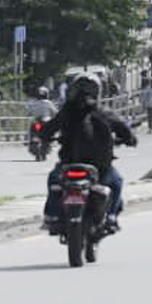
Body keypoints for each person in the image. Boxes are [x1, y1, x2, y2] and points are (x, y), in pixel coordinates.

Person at [38, 75, 137, 230]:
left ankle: (51, 215)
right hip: (99, 167)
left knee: (53, 180)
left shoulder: (67, 112)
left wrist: (45, 137)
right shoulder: (103, 112)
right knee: (117, 182)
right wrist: (130, 139)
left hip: (69, 163)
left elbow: (47, 129)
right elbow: (123, 129)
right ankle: (111, 217)